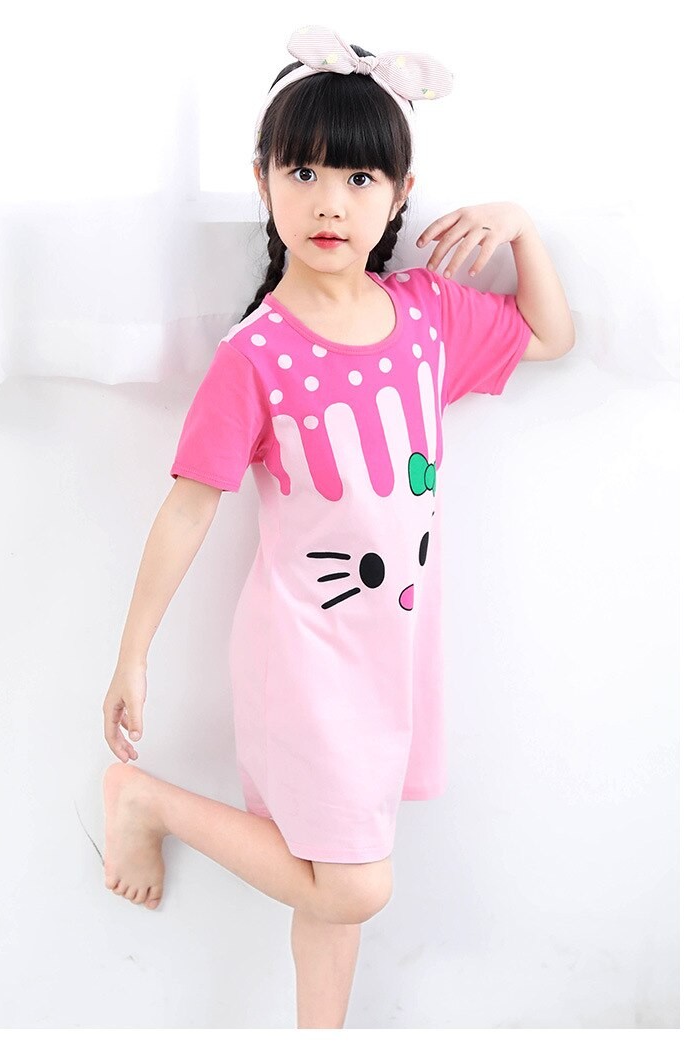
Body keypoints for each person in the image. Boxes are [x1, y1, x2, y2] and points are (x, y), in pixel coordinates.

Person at [100, 25, 574, 1029]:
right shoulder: (255, 355)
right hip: (305, 659)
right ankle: (145, 799)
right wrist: (133, 649)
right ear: (263, 180)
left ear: (400, 195)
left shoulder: (428, 317)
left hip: (392, 654)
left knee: (332, 872)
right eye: (304, 171)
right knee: (355, 883)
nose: (329, 201)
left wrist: (522, 228)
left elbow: (548, 333)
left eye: (360, 178)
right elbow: (189, 503)